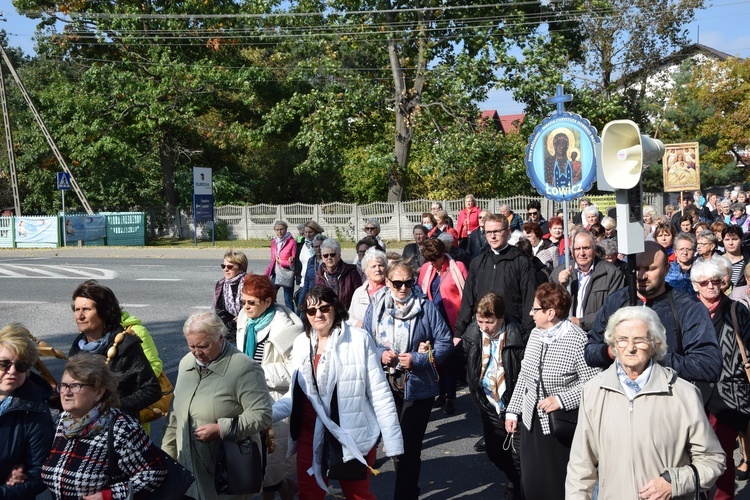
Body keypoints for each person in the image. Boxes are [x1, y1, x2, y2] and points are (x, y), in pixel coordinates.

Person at [566, 306, 726, 499]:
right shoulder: (593, 391)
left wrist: (674, 482)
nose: (630, 347)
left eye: (639, 340)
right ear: (613, 345)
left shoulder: (683, 393)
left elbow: (713, 459)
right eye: (622, 340)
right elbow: (580, 466)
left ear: (655, 344)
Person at [273, 286, 404, 499]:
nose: (318, 315)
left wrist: (393, 441)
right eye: (311, 311)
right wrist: (266, 415)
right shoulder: (301, 343)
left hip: (351, 433)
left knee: (357, 495)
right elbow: (295, 395)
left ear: (335, 307)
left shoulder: (359, 339)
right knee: (309, 494)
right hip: (309, 434)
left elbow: (379, 393)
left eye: (324, 308)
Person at [363, 262, 453, 499]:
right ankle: (409, 488)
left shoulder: (426, 307)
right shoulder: (376, 306)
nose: (403, 288)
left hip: (418, 388)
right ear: (388, 283)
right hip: (384, 385)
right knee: (394, 445)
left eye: (408, 283)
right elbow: (364, 342)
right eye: (397, 283)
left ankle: (405, 494)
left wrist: (417, 359)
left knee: (409, 448)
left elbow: (444, 342)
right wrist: (380, 352)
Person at [162, 312, 273, 499]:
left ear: (221, 338)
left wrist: (221, 429)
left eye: (204, 346)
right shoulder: (186, 364)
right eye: (191, 346)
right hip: (188, 471)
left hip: (226, 472)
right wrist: (167, 457)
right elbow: (175, 416)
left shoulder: (244, 368)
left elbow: (262, 415)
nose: (197, 352)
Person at [505, 282, 600, 500]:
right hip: (531, 425)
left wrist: (562, 399)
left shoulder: (577, 338)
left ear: (550, 312)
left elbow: (593, 381)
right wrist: (513, 411)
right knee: (531, 484)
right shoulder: (536, 334)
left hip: (560, 426)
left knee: (556, 485)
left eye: (535, 309)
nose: (531, 313)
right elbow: (525, 375)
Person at [585, 241, 722, 384]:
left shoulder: (688, 307)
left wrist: (653, 356)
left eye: (650, 268)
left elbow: (708, 366)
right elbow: (590, 352)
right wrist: (611, 352)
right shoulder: (615, 301)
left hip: (667, 397)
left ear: (666, 269)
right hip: (621, 396)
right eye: (637, 268)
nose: (642, 275)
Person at [42, 352, 167, 498]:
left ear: (99, 392)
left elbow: (154, 472)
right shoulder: (63, 421)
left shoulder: (121, 427)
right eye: (63, 385)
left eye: (75, 385)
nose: (66, 392)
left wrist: (108, 496)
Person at [236, 275, 302, 500]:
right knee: (257, 462)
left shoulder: (288, 329)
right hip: (248, 397)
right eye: (243, 301)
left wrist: (256, 373)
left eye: (251, 302)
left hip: (276, 400)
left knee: (271, 464)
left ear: (267, 301)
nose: (246, 307)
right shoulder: (245, 320)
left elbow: (295, 372)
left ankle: (285, 489)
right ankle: (287, 489)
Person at [691, 259, 750, 500]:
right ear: (696, 286)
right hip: (696, 393)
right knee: (696, 452)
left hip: (731, 394)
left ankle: (723, 497)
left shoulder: (737, 310)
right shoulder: (688, 311)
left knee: (723, 452)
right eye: (705, 283)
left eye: (716, 282)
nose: (711, 287)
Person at [463, 293, 524, 500]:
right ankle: (514, 480)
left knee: (518, 457)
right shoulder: (474, 333)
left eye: (489, 322)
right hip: (489, 404)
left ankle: (519, 489)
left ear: (501, 317)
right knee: (495, 451)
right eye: (480, 321)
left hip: (514, 404)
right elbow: (459, 357)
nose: (485, 327)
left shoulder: (518, 334)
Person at [69, 280, 160, 419]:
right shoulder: (76, 349)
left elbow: (151, 389)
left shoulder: (125, 346)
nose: (80, 316)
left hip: (117, 429)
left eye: (86, 309)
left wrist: (112, 408)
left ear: (104, 312)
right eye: (77, 310)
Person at [455, 214, 537, 337]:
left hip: (513, 332)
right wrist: (458, 332)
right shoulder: (478, 262)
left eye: (497, 231)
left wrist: (527, 334)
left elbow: (529, 300)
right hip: (481, 331)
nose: (492, 236)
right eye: (488, 232)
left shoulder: (521, 261)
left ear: (508, 232)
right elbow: (468, 300)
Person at [0, 323, 54, 499]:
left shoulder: (36, 411)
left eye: (21, 366)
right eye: (4, 364)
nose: (12, 371)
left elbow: (39, 474)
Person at [418, 238, 468, 414]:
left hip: (452, 320)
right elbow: (420, 292)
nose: (433, 263)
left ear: (443, 254)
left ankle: (451, 398)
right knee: (436, 360)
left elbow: (467, 294)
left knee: (450, 362)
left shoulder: (458, 267)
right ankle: (440, 393)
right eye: (429, 260)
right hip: (433, 322)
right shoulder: (426, 268)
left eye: (436, 259)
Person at [550, 231, 625, 331]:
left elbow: (613, 310)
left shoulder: (612, 274)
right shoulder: (558, 273)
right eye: (577, 249)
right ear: (572, 251)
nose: (582, 253)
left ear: (594, 249)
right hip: (565, 336)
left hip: (596, 336)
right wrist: (561, 287)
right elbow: (548, 308)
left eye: (586, 248)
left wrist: (581, 322)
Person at [315, 238, 362, 309]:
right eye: (325, 255)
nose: (329, 258)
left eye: (332, 254)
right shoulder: (319, 275)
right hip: (327, 315)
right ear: (322, 258)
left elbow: (359, 296)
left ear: (339, 256)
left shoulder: (351, 272)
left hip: (347, 315)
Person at [213, 249, 250, 339]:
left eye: (230, 266)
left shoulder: (251, 283)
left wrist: (243, 317)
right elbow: (219, 310)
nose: (225, 269)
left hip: (248, 329)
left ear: (241, 267)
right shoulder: (221, 284)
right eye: (223, 266)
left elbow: (260, 306)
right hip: (228, 333)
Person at [348, 248, 388, 328]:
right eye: (373, 266)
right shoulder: (359, 292)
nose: (377, 269)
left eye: (380, 265)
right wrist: (355, 323)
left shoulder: (392, 290)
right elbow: (349, 317)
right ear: (366, 270)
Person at [267, 221, 297, 310]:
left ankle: (292, 318)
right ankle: (274, 313)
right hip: (276, 272)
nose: (279, 232)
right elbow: (273, 260)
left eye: (281, 229)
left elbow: (293, 261)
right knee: (270, 294)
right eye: (277, 230)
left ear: (286, 229)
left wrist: (282, 262)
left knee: (288, 298)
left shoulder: (292, 242)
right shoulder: (274, 242)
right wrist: (267, 274)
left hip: (287, 274)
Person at [298, 234, 326, 312]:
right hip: (311, 297)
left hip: (324, 298)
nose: (318, 249)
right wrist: (302, 300)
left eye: (320, 246)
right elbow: (306, 282)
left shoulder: (328, 261)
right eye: (316, 247)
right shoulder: (311, 260)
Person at [295, 220, 325, 288]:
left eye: (310, 232)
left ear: (316, 232)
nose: (308, 235)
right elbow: (298, 264)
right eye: (306, 232)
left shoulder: (323, 244)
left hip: (318, 282)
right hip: (303, 282)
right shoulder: (302, 244)